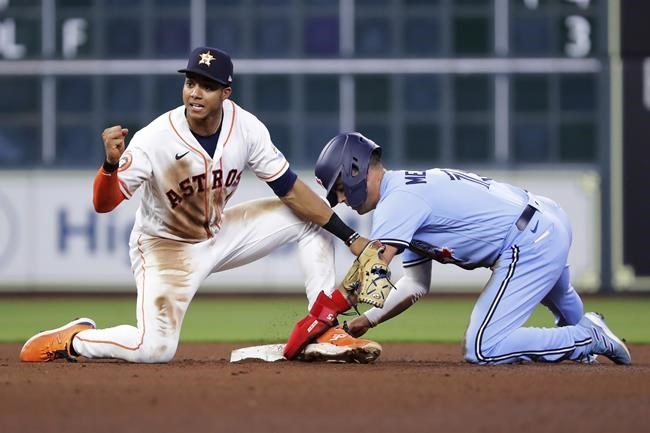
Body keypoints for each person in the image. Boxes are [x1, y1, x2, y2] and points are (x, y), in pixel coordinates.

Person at [19, 47, 380, 364]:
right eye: (190, 82)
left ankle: (322, 329)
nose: (195, 92)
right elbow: (104, 204)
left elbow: (290, 190)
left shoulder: (247, 128)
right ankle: (76, 339)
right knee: (154, 350)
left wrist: (350, 238)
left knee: (309, 219)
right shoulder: (154, 139)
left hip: (219, 233)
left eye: (206, 85)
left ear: (226, 92)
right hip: (165, 249)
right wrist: (110, 167)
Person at [312, 132, 632, 365]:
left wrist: (323, 316)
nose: (341, 200)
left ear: (355, 169)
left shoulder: (397, 202)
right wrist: (362, 322)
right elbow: (414, 284)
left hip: (528, 239)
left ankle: (589, 336)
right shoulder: (405, 192)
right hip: (545, 221)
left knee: (483, 347)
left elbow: (373, 265)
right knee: (562, 304)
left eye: (339, 188)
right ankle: (582, 340)